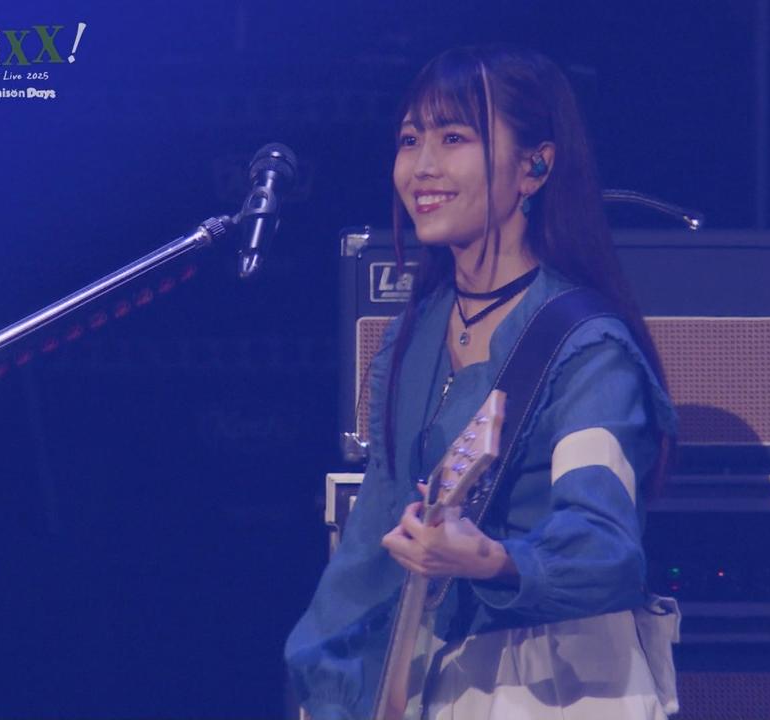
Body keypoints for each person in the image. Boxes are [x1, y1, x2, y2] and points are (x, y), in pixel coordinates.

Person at [285, 44, 679, 720]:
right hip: (433, 681)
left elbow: (604, 546)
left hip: (562, 687)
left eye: (454, 138)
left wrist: (494, 560)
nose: (422, 167)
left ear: (535, 166)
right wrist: (326, 688)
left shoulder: (587, 348)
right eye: (410, 140)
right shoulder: (412, 338)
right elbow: (367, 553)